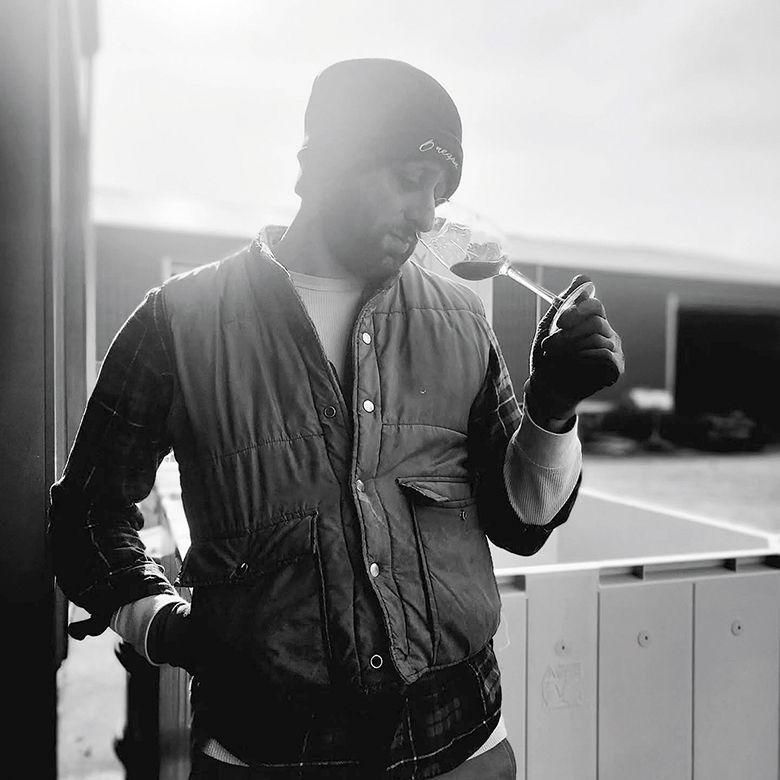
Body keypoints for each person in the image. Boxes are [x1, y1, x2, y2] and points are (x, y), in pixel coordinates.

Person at [48, 58, 624, 779]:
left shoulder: (459, 320)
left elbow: (521, 524)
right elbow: (88, 516)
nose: (426, 215)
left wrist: (554, 410)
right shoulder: (180, 321)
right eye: (410, 179)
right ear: (324, 164)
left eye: (440, 194)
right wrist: (160, 625)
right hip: (266, 753)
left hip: (463, 748)